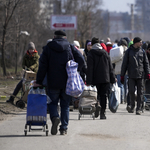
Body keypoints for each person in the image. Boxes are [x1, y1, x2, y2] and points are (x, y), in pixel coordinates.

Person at [35, 30, 84, 135]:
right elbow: (82, 60)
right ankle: (64, 128)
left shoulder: (48, 48)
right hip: (67, 82)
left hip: (52, 82)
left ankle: (55, 118)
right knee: (65, 105)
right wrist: (75, 69)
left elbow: (42, 66)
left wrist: (39, 80)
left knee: (52, 103)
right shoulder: (70, 47)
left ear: (54, 36)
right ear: (65, 38)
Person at [86, 37, 116, 119]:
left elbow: (90, 68)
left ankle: (97, 105)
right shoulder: (105, 53)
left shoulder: (91, 54)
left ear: (92, 44)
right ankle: (103, 113)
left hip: (95, 79)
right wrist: (112, 79)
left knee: (96, 95)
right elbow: (110, 67)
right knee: (104, 95)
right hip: (105, 78)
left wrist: (88, 81)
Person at [120, 37, 150, 115]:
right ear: (136, 43)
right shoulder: (128, 52)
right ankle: (132, 106)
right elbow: (124, 64)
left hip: (141, 75)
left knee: (140, 93)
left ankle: (138, 108)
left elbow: (146, 63)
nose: (141, 43)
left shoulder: (142, 51)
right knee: (131, 91)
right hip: (131, 75)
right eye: (140, 42)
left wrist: (148, 73)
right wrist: (122, 75)